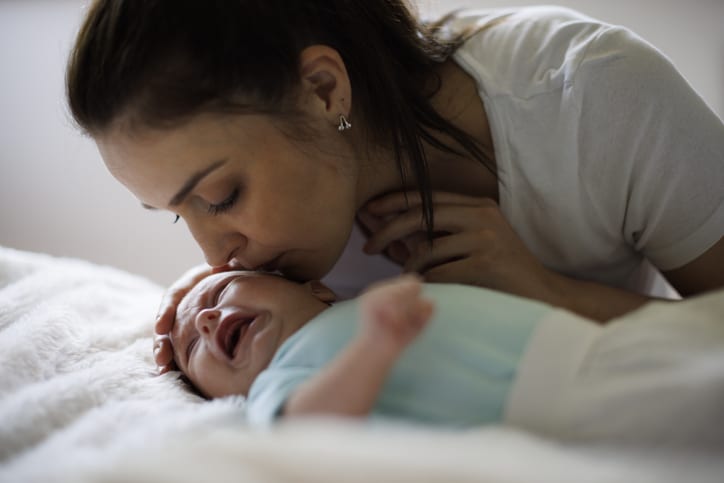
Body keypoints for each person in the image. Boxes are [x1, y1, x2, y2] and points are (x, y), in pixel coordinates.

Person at [65, 2, 724, 374]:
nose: (216, 254)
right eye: (180, 216)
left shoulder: (595, 96)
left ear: (324, 90)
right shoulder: (284, 254)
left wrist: (548, 292)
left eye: (220, 196)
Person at [170, 270, 724, 446]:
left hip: (600, 341)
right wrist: (374, 348)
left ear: (317, 288)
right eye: (193, 346)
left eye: (222, 294)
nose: (208, 320)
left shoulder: (367, 298)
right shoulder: (280, 381)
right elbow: (309, 428)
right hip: (559, 398)